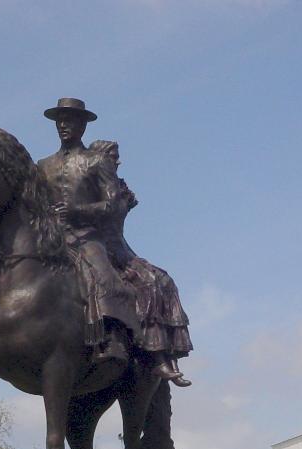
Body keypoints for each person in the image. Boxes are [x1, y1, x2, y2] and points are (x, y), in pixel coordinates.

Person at [38, 98, 140, 364]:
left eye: (69, 120)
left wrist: (77, 210)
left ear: (82, 126)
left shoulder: (96, 161)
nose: (63, 125)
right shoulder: (42, 165)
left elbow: (113, 204)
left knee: (102, 274)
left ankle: (111, 337)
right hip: (51, 237)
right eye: (59, 120)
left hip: (85, 236)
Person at [89, 139, 193, 387]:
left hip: (123, 248)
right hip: (103, 250)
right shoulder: (91, 189)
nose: (118, 161)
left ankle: (169, 355)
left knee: (164, 280)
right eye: (113, 156)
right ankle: (153, 353)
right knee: (148, 282)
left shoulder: (118, 187)